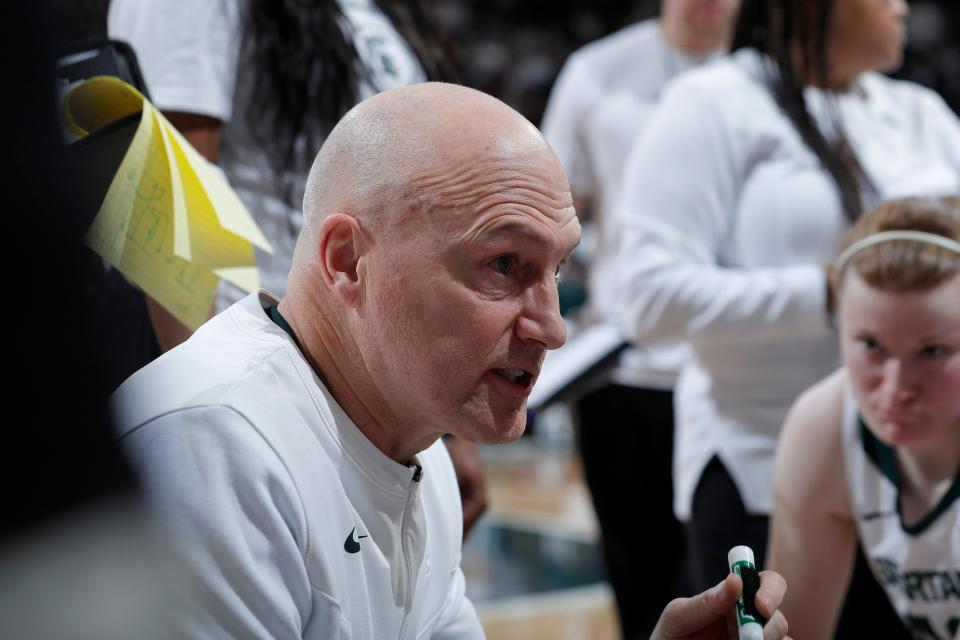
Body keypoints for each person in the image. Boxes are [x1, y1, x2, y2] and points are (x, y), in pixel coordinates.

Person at [110, 82, 790, 640]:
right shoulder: (210, 447)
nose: (553, 328)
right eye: (504, 265)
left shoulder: (418, 441)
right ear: (347, 261)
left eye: (559, 268)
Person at [611, 0, 960, 598]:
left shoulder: (919, 112)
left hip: (918, 471)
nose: (904, 6)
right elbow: (645, 297)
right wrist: (833, 293)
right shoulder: (714, 102)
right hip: (759, 464)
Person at [108, 0, 487, 538]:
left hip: (375, 397)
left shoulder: (370, 12)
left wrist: (450, 429)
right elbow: (168, 217)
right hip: (272, 378)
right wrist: (213, 420)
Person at [540, 1, 741, 634]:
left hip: (736, 372)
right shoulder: (596, 73)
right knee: (638, 586)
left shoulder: (771, 77)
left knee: (734, 587)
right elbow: (549, 208)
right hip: (621, 369)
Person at [769, 197, 960, 640]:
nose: (895, 389)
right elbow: (796, 631)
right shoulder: (823, 427)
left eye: (932, 352)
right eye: (871, 346)